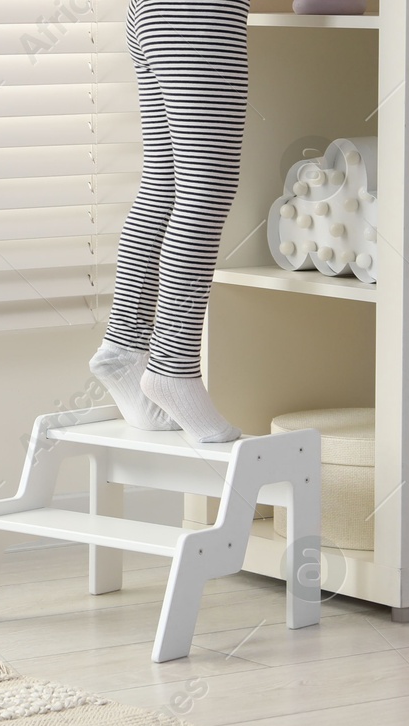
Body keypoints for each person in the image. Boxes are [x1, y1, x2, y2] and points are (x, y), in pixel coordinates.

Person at [89, 0, 250, 443]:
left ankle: (126, 345)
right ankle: (173, 367)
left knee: (166, 182)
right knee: (206, 188)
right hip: (198, 11)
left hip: (155, 12)